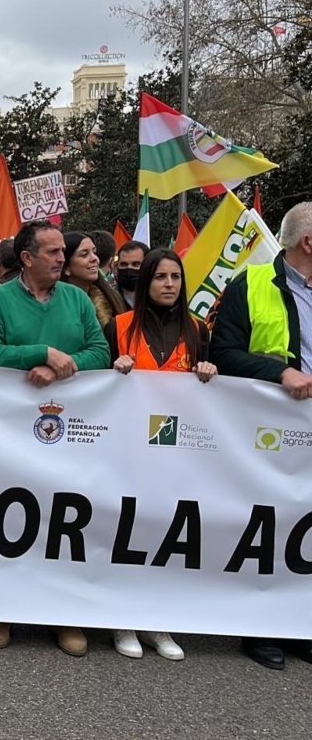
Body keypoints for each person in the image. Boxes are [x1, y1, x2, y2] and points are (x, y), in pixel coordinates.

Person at [0, 220, 109, 657]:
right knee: (8, 517)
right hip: (10, 433)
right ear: (27, 258)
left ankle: (60, 615)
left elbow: (99, 351)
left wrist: (56, 367)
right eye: (51, 252)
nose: (61, 258)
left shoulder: (77, 299)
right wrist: (39, 353)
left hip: (67, 433)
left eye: (61, 251)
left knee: (63, 521)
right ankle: (0, 608)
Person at [210, 201, 312, 670]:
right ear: (307, 242)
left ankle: (299, 623)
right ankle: (261, 626)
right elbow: (225, 353)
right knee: (267, 527)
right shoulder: (248, 284)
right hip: (271, 429)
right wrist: (280, 372)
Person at [102, 248, 213, 661]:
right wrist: (114, 367)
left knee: (166, 533)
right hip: (129, 446)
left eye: (176, 277)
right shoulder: (120, 326)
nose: (169, 285)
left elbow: (218, 391)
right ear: (146, 282)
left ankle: (157, 620)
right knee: (127, 528)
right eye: (160, 277)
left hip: (177, 449)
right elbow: (99, 378)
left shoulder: (198, 329)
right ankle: (121, 620)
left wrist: (209, 372)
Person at [61, 231, 127, 330]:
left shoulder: (112, 297)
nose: (94, 258)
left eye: (94, 252)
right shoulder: (57, 305)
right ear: (66, 267)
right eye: (84, 254)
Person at [114, 240, 150, 309]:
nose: (129, 268)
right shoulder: (108, 299)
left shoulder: (158, 299)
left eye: (135, 264)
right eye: (124, 264)